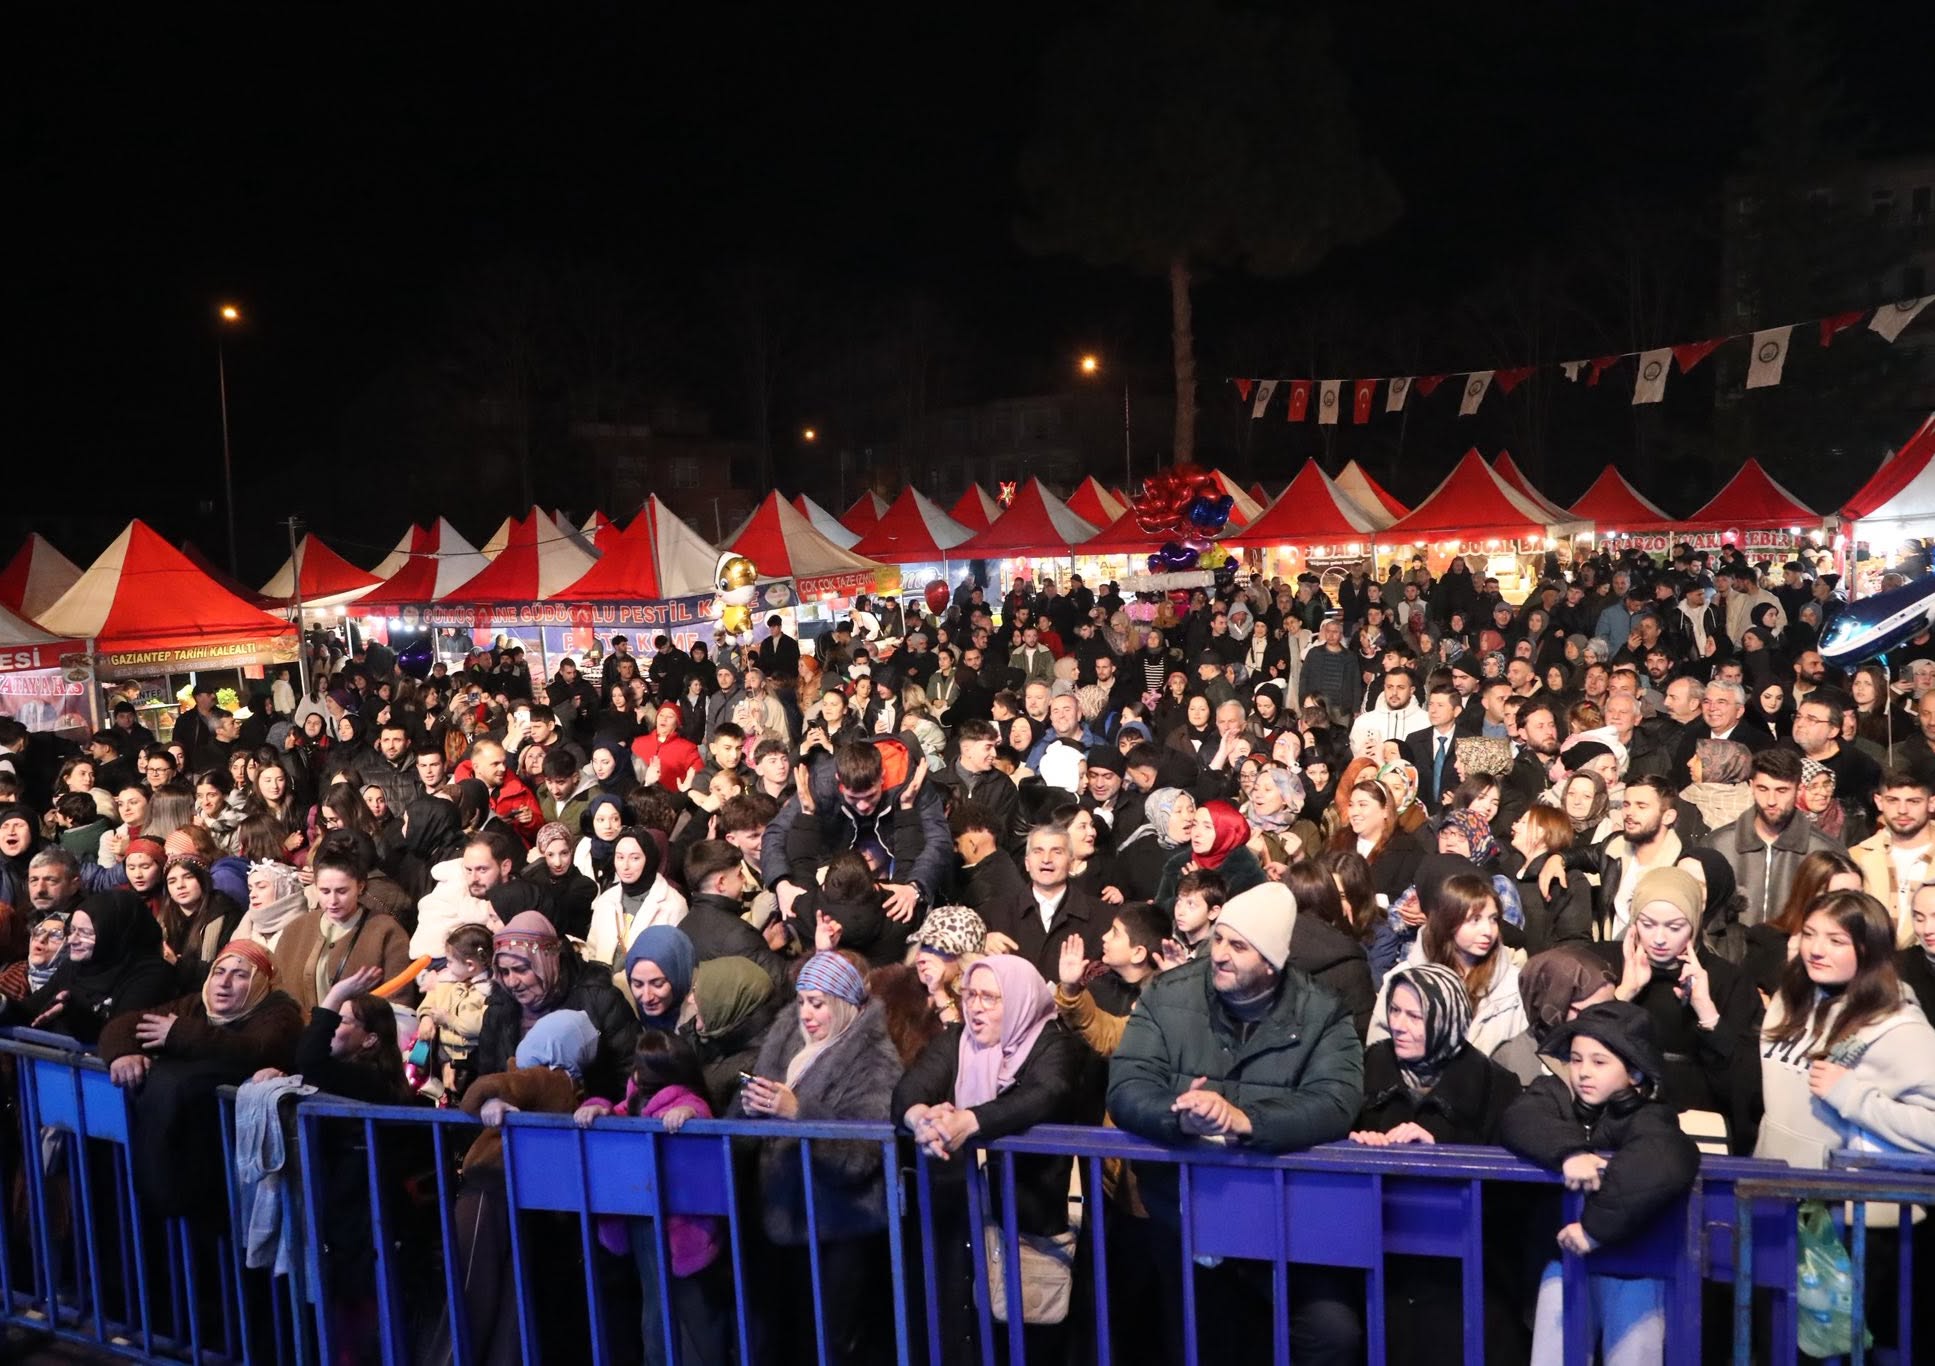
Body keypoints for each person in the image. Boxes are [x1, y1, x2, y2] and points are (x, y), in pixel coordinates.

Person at [1108, 882, 1365, 1365]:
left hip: (1284, 1217)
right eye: (1219, 939)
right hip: (1186, 1212)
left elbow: (1336, 1099)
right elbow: (1127, 1086)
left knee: (1329, 1333)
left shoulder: (1322, 1011)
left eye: (1239, 946)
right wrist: (1178, 1115)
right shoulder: (1168, 994)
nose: (1220, 954)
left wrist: (1247, 1120)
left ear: (1271, 962)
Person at [893, 954, 1084, 1362]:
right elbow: (910, 1088)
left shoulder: (1053, 1043)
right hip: (960, 1217)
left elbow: (1047, 1092)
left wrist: (970, 1121)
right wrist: (921, 1119)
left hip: (1028, 1216)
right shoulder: (957, 1039)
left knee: (1022, 1340)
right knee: (960, 1332)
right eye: (970, 995)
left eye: (990, 998)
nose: (975, 1007)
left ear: (1018, 1000)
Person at [1501, 1002, 1700, 1366]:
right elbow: (1519, 1118)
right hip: (1563, 1260)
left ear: (1635, 1074)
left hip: (1636, 1266)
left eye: (1599, 1062)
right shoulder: (1554, 1094)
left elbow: (1665, 1157)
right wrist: (1569, 1152)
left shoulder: (1651, 1115)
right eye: (1576, 1060)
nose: (1583, 1072)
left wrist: (1594, 1229)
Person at [730, 952, 904, 1366]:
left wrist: (798, 1112)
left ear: (843, 1004)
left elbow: (861, 1154)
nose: (806, 1013)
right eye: (802, 1001)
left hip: (840, 1226)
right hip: (781, 1216)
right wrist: (752, 1107)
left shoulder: (875, 1060)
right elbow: (744, 1118)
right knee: (783, 1340)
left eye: (818, 1003)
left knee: (832, 1342)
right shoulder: (788, 1037)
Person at [1599, 866, 1759, 1151]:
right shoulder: (1606, 966)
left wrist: (1706, 1011)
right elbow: (1586, 1051)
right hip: (1620, 1123)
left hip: (1700, 1127)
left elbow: (1746, 1080)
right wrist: (1625, 993)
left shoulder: (1728, 980)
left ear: (1695, 924)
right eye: (1647, 924)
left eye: (1674, 927)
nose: (1659, 939)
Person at [473, 912, 638, 1100]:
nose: (511, 982)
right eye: (504, 972)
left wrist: (604, 1108)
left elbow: (631, 1075)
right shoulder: (499, 1009)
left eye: (521, 969)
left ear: (547, 962)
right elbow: (487, 1075)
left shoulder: (598, 1000)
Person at [1371, 872, 1527, 1056]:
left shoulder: (1513, 986)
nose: (1488, 930)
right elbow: (1379, 1054)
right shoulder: (1401, 981)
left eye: (1493, 919)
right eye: (1475, 919)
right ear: (1447, 922)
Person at [2, 889, 178, 1042]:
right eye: (72, 930)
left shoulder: (152, 976)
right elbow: (29, 1011)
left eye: (85, 933)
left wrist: (73, 1014)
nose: (72, 940)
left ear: (114, 934)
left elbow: (119, 1035)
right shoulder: (73, 967)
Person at [270, 839, 416, 1014]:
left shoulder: (386, 930)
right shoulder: (296, 929)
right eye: (324, 891)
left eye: (342, 891)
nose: (333, 901)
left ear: (360, 887)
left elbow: (399, 1000)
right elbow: (278, 989)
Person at [1705, 747, 1845, 928]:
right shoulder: (1717, 845)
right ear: (1751, 786)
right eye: (1763, 789)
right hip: (1732, 946)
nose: (1771, 800)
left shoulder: (1826, 851)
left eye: (1782, 790)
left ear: (1798, 790)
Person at [1492, 945, 1618, 1086]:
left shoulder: (1619, 1053)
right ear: (1555, 1005)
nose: (1603, 1020)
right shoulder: (1510, 1060)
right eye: (1590, 1012)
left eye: (1610, 1008)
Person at [584, 827, 688, 972]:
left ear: (649, 859)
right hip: (603, 983)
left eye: (635, 858)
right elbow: (592, 950)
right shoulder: (607, 899)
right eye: (620, 857)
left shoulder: (673, 904)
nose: (625, 866)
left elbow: (678, 960)